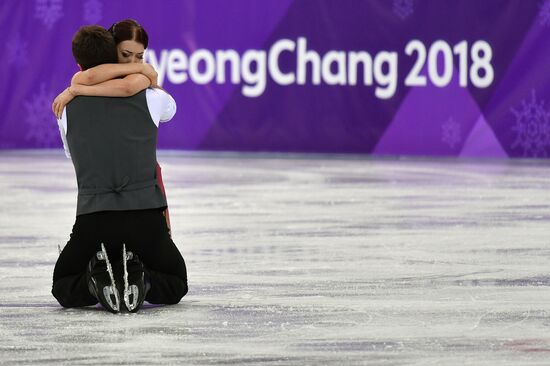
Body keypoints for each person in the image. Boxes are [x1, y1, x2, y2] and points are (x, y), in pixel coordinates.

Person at [51, 25, 188, 313]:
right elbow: (167, 106)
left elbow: (74, 154)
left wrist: (77, 90)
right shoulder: (154, 99)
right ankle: (143, 278)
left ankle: (94, 281)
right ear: (113, 58)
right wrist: (145, 77)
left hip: (95, 219)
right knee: (176, 282)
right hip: (145, 220)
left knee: (63, 283)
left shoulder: (65, 109)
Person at [52, 19, 173, 236]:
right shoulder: (137, 74)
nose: (132, 63)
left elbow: (126, 87)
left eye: (139, 56)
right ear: (110, 51)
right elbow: (86, 77)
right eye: (125, 55)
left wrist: (76, 91)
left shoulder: (139, 79)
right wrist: (142, 68)